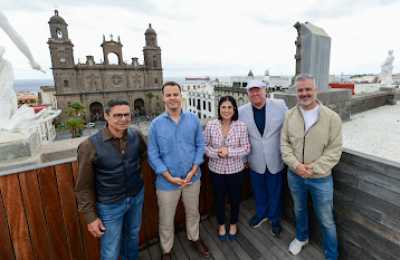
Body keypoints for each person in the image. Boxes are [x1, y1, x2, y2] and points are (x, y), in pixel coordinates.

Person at [281, 74, 342, 260]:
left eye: (308, 89)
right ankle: (301, 237)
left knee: (326, 219)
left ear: (315, 90)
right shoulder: (289, 115)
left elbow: (334, 150)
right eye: (300, 90)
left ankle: (332, 255)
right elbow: (284, 145)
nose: (304, 93)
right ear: (296, 92)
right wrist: (296, 166)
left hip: (321, 178)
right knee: (299, 210)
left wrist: (312, 168)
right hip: (295, 175)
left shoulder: (332, 118)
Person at [75, 99, 146, 260]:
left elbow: (142, 158)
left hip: (136, 197)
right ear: (106, 116)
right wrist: (91, 217)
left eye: (127, 114)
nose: (123, 119)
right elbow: (83, 187)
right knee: (111, 249)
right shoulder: (89, 146)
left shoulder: (136, 135)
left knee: (133, 237)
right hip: (109, 205)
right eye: (118, 115)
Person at [147, 81, 209, 260]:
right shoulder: (156, 125)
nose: (172, 98)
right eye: (168, 95)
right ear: (163, 98)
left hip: (193, 178)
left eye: (175, 94)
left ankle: (194, 238)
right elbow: (153, 154)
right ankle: (166, 250)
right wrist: (169, 176)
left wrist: (193, 169)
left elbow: (200, 146)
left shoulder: (193, 119)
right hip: (167, 183)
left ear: (181, 96)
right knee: (166, 219)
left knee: (193, 212)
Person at [238, 80, 288, 237]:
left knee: (275, 191)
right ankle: (261, 214)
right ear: (247, 94)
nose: (255, 94)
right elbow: (241, 136)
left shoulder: (280, 105)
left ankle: (274, 219)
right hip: (254, 159)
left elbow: (290, 126)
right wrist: (244, 159)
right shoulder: (241, 111)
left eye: (257, 90)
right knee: (258, 191)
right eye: (251, 91)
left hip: (276, 157)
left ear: (265, 90)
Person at [204, 96, 250, 241]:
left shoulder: (241, 126)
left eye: (229, 107)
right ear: (219, 108)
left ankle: (233, 223)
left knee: (235, 199)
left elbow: (246, 148)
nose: (226, 110)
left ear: (234, 109)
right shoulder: (211, 125)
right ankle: (222, 224)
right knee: (219, 199)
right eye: (223, 107)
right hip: (216, 170)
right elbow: (204, 146)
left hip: (235, 170)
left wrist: (229, 152)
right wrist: (216, 153)